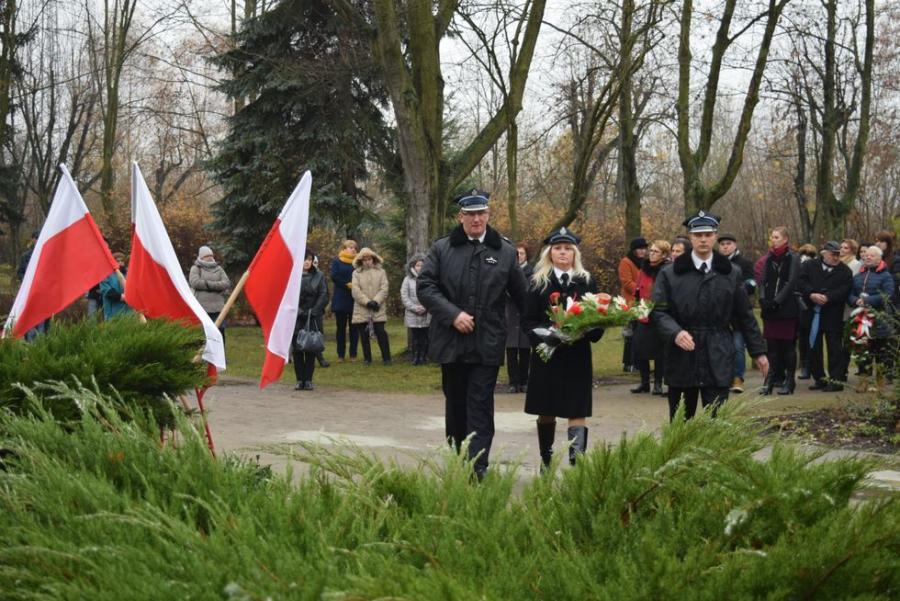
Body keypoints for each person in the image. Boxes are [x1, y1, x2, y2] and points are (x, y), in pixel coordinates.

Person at [417, 189, 528, 480]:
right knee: (455, 404)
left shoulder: (504, 251)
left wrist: (552, 314)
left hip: (487, 342)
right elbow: (426, 286)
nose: (476, 219)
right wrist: (452, 314)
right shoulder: (442, 249)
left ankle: (477, 467)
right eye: (470, 214)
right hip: (450, 342)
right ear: (460, 217)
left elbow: (522, 295)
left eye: (481, 213)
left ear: (488, 215)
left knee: (480, 404)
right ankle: (458, 459)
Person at [651, 211, 767, 421]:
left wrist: (758, 351)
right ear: (690, 237)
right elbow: (658, 311)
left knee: (717, 424)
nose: (703, 239)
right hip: (682, 356)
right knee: (681, 425)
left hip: (718, 354)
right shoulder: (670, 273)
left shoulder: (731, 272)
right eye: (698, 235)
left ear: (715, 236)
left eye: (708, 234)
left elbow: (744, 315)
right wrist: (675, 332)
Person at [523, 228, 601, 468]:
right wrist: (548, 336)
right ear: (550, 252)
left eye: (568, 248)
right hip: (548, 356)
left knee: (577, 409)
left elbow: (598, 318)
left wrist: (586, 330)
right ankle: (546, 460)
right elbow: (528, 322)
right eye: (558, 248)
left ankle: (577, 465)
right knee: (546, 409)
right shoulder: (537, 282)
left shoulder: (586, 281)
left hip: (577, 356)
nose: (563, 252)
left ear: (574, 253)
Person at [798, 241, 853, 392]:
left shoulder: (845, 271)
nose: (836, 257)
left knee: (835, 348)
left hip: (833, 314)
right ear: (824, 254)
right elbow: (801, 282)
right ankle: (820, 379)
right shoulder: (809, 266)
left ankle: (836, 381)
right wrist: (811, 294)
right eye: (833, 254)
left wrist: (828, 297)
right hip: (811, 313)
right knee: (813, 347)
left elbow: (845, 289)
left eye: (838, 255)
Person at [758, 226, 801, 396]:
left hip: (786, 309)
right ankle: (770, 380)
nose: (773, 240)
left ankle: (789, 381)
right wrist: (762, 299)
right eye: (772, 237)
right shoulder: (768, 258)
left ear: (785, 239)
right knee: (772, 348)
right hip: (770, 310)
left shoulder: (793, 258)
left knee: (788, 347)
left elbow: (790, 283)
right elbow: (762, 280)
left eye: (776, 237)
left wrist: (777, 301)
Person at [848, 245, 895, 389]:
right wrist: (855, 301)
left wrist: (868, 301)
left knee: (881, 351)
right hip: (861, 319)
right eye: (866, 255)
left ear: (879, 258)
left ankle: (881, 382)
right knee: (862, 350)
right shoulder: (858, 276)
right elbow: (849, 294)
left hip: (880, 318)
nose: (867, 257)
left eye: (872, 255)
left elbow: (888, 295)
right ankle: (864, 382)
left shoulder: (886, 276)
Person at [716, 232, 756, 393]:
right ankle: (723, 377)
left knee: (738, 346)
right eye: (722, 244)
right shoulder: (715, 262)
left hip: (738, 312)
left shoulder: (744, 263)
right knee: (721, 348)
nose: (725, 246)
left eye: (728, 243)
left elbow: (751, 285)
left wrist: (735, 289)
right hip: (720, 312)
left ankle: (738, 378)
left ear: (735, 245)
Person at [631, 240, 670, 396]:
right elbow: (638, 291)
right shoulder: (644, 269)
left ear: (664, 255)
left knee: (659, 352)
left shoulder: (667, 270)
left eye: (656, 251)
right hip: (643, 314)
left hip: (660, 314)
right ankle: (644, 382)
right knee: (640, 350)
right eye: (651, 251)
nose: (651, 254)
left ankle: (658, 384)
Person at [292, 249, 329, 390]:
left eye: (309, 259)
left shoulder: (319, 276)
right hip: (297, 317)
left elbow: (324, 294)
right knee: (297, 349)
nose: (306, 262)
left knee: (311, 348)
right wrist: (299, 311)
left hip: (313, 317)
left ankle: (308, 380)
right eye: (304, 259)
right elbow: (289, 295)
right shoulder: (293, 276)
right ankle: (299, 379)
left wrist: (314, 311)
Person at [351, 247, 391, 365]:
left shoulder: (381, 272)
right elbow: (355, 290)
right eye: (365, 259)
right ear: (361, 261)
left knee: (381, 332)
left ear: (373, 259)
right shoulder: (356, 273)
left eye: (369, 259)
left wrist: (376, 301)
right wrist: (367, 302)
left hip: (378, 307)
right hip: (362, 308)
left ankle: (387, 358)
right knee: (363, 334)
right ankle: (367, 359)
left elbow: (384, 288)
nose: (367, 261)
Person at [505, 243, 533, 393]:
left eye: (522, 253)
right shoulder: (508, 270)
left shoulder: (532, 272)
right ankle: (513, 381)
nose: (519, 256)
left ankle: (524, 380)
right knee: (510, 351)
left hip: (524, 314)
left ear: (526, 255)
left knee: (524, 350)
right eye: (517, 254)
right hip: (510, 314)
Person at [189, 245, 231, 342]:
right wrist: (215, 286)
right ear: (201, 257)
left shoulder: (219, 268)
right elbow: (195, 282)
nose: (210, 257)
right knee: (204, 334)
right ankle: (205, 356)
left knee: (220, 332)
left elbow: (226, 283)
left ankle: (220, 356)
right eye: (207, 255)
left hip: (218, 308)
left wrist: (207, 285)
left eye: (211, 255)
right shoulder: (196, 268)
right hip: (203, 308)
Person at [618, 237, 648, 372]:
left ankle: (637, 362)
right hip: (630, 301)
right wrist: (641, 290)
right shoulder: (626, 262)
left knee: (639, 333)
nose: (642, 251)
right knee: (630, 333)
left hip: (642, 301)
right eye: (639, 249)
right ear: (634, 250)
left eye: (644, 248)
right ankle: (628, 362)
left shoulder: (645, 262)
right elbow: (626, 282)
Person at [16, 230, 50, 340]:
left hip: (43, 294)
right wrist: (26, 282)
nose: (37, 240)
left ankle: (40, 344)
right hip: (29, 294)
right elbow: (20, 272)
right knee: (30, 321)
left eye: (39, 237)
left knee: (41, 321)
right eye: (35, 238)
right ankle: (29, 345)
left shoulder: (46, 254)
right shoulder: (26, 256)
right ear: (32, 240)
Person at [330, 240, 359, 362]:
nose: (352, 249)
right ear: (344, 248)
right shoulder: (337, 261)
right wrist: (346, 285)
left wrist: (355, 285)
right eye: (349, 247)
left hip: (354, 298)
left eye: (354, 247)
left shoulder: (358, 261)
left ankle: (353, 354)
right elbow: (334, 276)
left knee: (354, 328)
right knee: (340, 328)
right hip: (341, 297)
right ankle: (340, 355)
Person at [400, 254, 431, 365]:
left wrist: (426, 307)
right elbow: (404, 296)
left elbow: (433, 295)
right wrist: (414, 308)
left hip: (426, 313)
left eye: (422, 265)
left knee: (425, 336)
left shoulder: (429, 279)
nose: (420, 267)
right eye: (417, 265)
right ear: (413, 266)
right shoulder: (407, 279)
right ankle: (415, 357)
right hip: (412, 314)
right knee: (415, 337)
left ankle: (423, 357)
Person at [795, 243, 819, 382]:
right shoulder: (796, 264)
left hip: (812, 304)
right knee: (803, 337)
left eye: (809, 255)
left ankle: (810, 366)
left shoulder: (815, 267)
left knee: (812, 337)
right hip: (799, 304)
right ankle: (804, 365)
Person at [100, 252, 133, 320]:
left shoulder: (129, 273)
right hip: (113, 313)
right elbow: (107, 291)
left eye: (122, 261)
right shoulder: (106, 274)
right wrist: (123, 297)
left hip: (130, 313)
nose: (120, 263)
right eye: (118, 261)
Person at [312, 254, 329, 368]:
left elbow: (325, 294)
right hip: (303, 311)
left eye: (315, 263)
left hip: (316, 311)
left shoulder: (320, 276)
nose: (314, 265)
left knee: (318, 334)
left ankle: (320, 358)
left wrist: (318, 308)